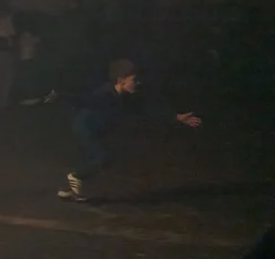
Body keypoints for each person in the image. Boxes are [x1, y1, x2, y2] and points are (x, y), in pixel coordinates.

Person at [56, 59, 201, 202]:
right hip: (85, 128)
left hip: (97, 130)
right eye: (134, 79)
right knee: (103, 157)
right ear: (121, 80)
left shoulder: (128, 97)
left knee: (96, 158)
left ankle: (69, 189)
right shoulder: (105, 94)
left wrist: (176, 117)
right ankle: (76, 177)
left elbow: (149, 110)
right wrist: (59, 96)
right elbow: (82, 98)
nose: (138, 83)